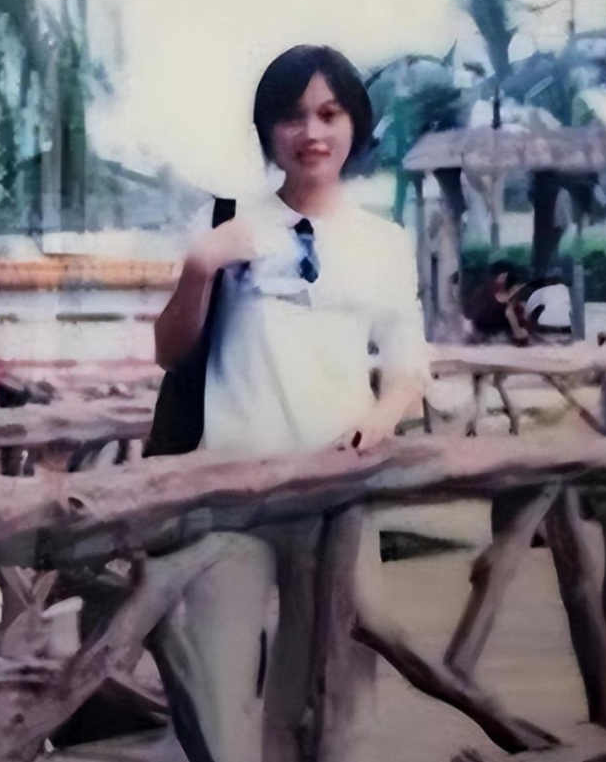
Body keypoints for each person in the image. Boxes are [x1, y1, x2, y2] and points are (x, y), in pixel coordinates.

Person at [150, 45, 428, 762]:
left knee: (333, 685)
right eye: (293, 116)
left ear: (354, 124)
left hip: (336, 491)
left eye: (329, 114)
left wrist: (378, 421)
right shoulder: (227, 222)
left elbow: (407, 368)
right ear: (268, 129)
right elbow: (170, 351)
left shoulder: (385, 243)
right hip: (228, 490)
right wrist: (200, 266)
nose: (312, 133)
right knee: (213, 684)